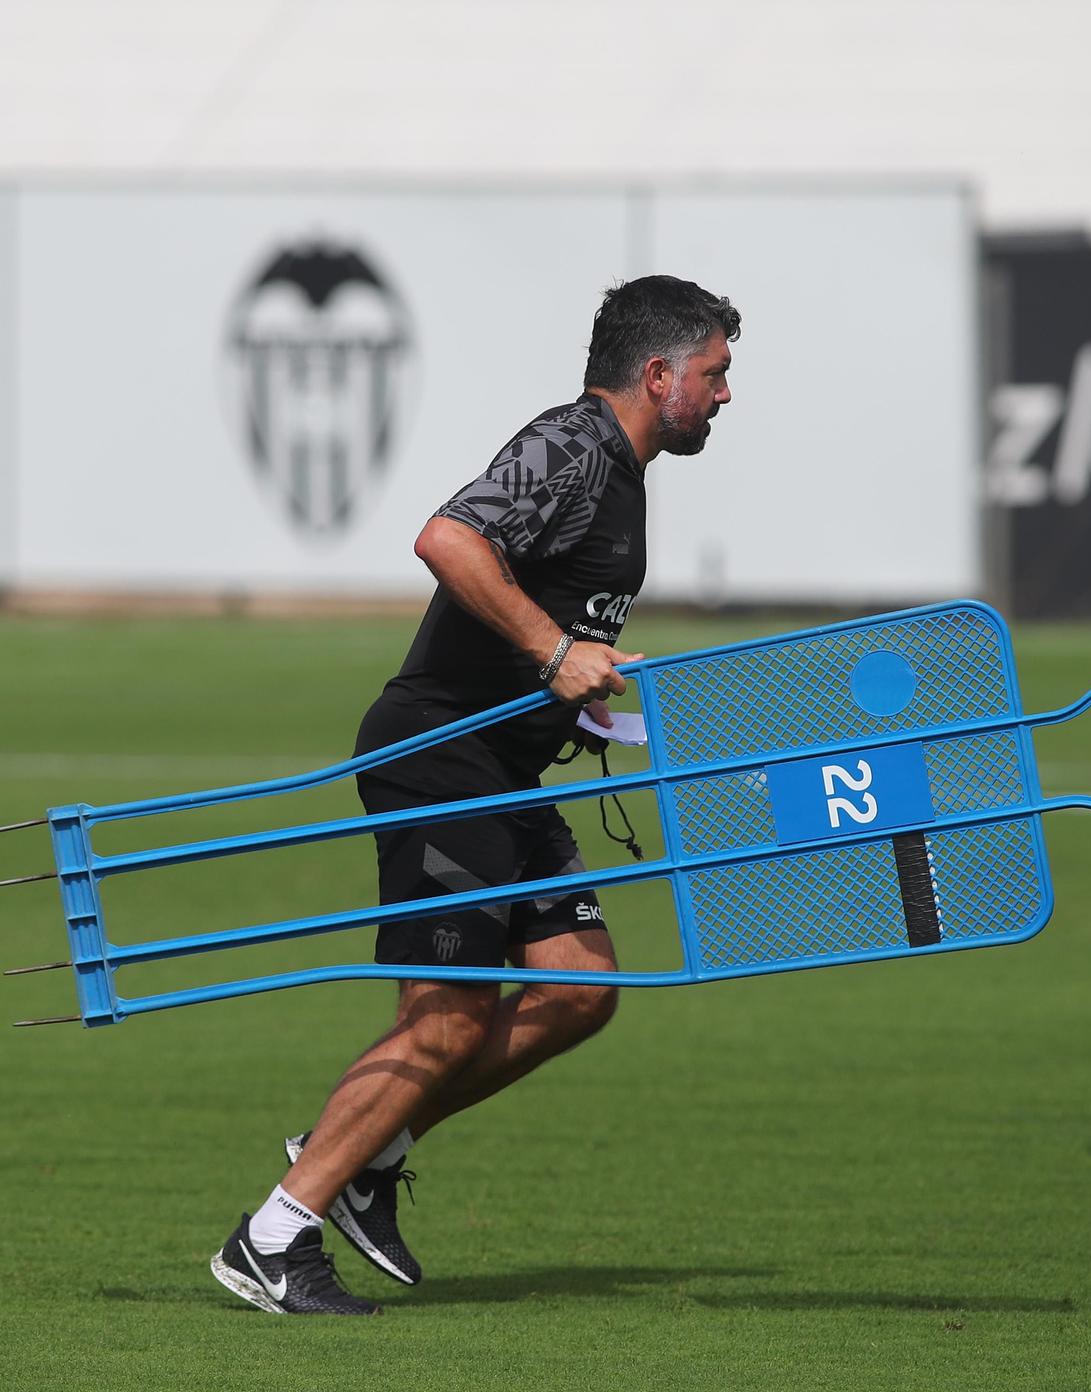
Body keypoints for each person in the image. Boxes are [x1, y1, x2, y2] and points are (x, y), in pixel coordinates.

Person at [211, 275, 740, 1315]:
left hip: (504, 767)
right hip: (438, 760)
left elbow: (541, 609)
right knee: (447, 1020)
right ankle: (275, 1236)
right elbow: (447, 540)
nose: (723, 396)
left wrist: (570, 693)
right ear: (657, 372)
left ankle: (369, 1155)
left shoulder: (623, 470)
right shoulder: (574, 445)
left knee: (580, 989)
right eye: (714, 374)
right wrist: (553, 654)